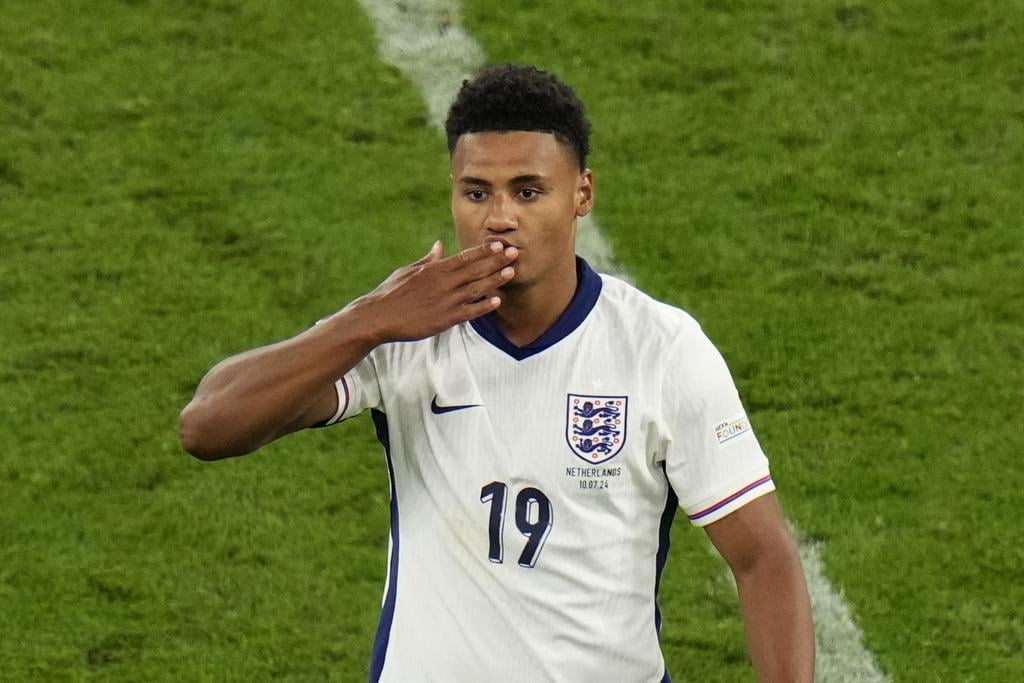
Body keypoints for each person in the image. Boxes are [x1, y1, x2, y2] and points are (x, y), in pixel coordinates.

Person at [180, 65, 814, 682]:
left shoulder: (662, 350)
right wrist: (367, 321)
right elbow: (207, 427)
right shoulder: (404, 330)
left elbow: (762, 558)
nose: (499, 217)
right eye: (476, 192)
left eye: (528, 192)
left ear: (583, 195)